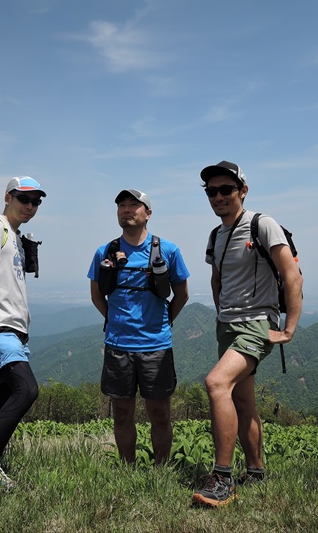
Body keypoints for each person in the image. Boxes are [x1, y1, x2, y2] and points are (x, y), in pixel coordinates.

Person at [191, 161, 303, 508]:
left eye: (226, 189)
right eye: (212, 191)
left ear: (243, 191)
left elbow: (292, 275)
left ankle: (222, 478)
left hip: (257, 323)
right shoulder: (216, 235)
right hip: (227, 325)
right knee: (242, 400)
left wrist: (288, 328)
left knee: (216, 383)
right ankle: (255, 471)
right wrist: (221, 313)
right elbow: (217, 279)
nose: (218, 196)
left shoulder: (262, 225)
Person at [88, 189, 190, 465]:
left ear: (148, 213)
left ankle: (161, 470)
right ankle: (127, 468)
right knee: (122, 414)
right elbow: (96, 295)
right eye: (122, 205)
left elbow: (182, 294)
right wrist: (114, 320)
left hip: (156, 345)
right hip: (118, 345)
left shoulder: (168, 251)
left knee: (160, 414)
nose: (126, 209)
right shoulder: (104, 252)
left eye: (134, 205)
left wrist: (164, 321)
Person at [0, 176, 46, 490]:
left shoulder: (14, 235)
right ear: (7, 197)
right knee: (26, 389)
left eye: (35, 201)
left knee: (1, 395)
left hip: (15, 328)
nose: (30, 206)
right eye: (23, 199)